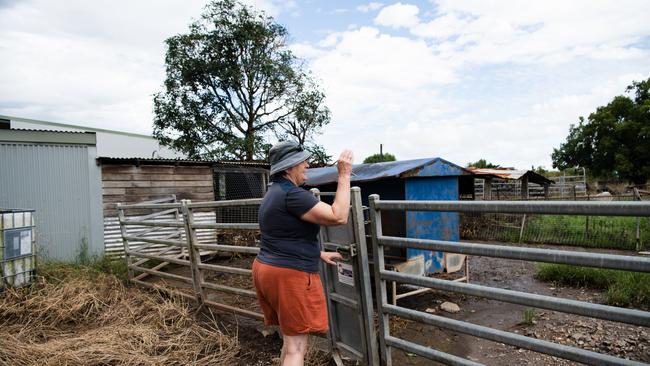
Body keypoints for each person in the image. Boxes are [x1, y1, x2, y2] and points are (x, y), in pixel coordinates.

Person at [252, 141, 353, 366]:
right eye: (303, 162)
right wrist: (344, 176)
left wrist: (318, 253)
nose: (307, 165)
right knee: (296, 348)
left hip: (266, 268)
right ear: (289, 168)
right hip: (288, 274)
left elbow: (283, 233)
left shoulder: (273, 192)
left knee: (290, 343)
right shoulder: (293, 195)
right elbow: (339, 216)